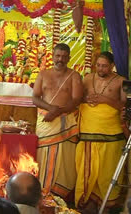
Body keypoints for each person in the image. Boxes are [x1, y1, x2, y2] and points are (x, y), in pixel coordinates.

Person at [75, 51, 126, 212]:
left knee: (108, 173)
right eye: (98, 65)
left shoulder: (121, 81)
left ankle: (106, 205)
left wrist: (106, 100)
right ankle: (88, 203)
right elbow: (78, 98)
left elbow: (125, 108)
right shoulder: (88, 78)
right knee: (87, 172)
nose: (101, 69)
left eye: (104, 66)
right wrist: (86, 99)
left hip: (112, 135)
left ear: (112, 66)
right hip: (88, 132)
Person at [32, 43, 83, 198]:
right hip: (46, 122)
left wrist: (56, 111)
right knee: (42, 157)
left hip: (64, 122)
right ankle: (40, 193)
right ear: (52, 56)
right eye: (57, 56)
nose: (60, 59)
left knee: (64, 161)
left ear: (68, 58)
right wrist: (50, 109)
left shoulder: (74, 75)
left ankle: (58, 196)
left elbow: (76, 99)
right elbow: (35, 98)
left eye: (64, 56)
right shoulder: (43, 74)